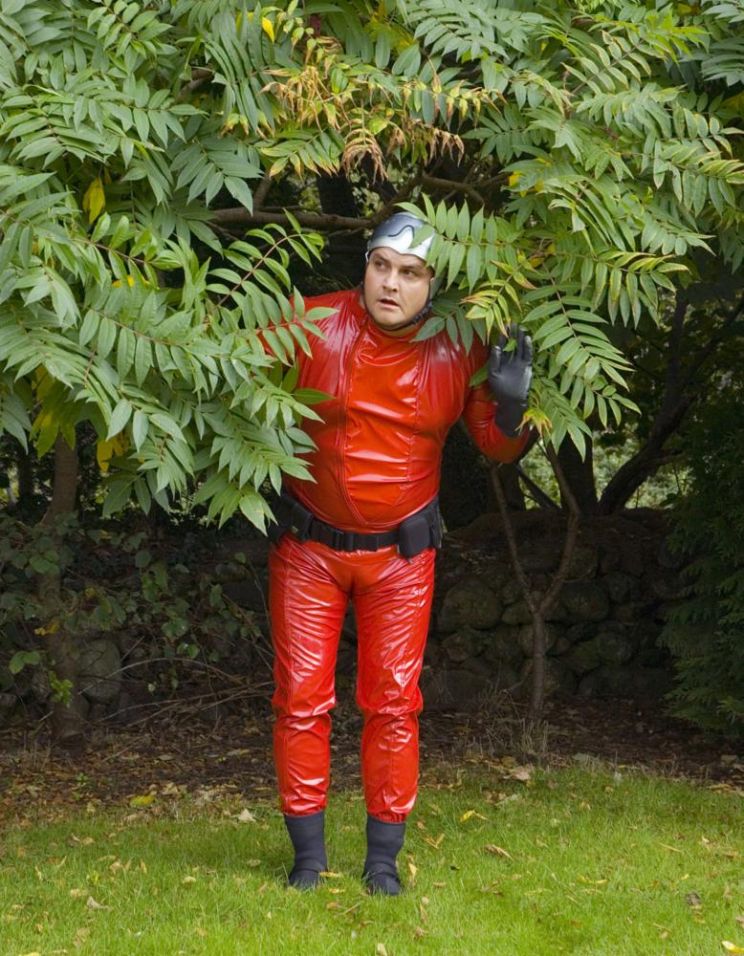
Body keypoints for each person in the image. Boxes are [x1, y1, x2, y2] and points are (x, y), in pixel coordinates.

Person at [268, 211, 533, 895]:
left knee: (393, 704)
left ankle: (382, 860)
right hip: (309, 548)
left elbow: (495, 446)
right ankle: (307, 858)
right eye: (381, 265)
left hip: (401, 557)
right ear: (365, 265)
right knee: (300, 699)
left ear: (434, 283)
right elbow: (229, 379)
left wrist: (511, 409)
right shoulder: (310, 323)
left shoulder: (460, 345)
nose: (391, 283)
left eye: (411, 273)